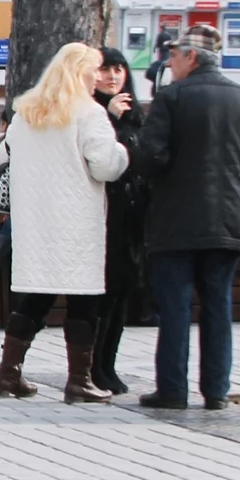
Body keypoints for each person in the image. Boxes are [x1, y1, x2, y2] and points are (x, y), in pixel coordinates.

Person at [134, 24, 240, 409]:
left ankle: (173, 390)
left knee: (176, 307)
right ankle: (217, 391)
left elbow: (151, 157)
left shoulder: (171, 98)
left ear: (191, 58)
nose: (170, 62)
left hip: (175, 220)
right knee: (218, 305)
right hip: (227, 219)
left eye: (174, 55)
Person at [0, 43, 131, 403]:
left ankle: (8, 374)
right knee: (83, 301)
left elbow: (7, 156)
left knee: (34, 298)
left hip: (35, 220)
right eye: (95, 70)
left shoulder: (26, 114)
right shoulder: (89, 114)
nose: (100, 76)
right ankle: (79, 380)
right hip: (76, 218)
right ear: (82, 73)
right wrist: (123, 152)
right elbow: (105, 166)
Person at [88, 47, 148, 396]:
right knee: (102, 296)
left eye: (118, 69)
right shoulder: (91, 113)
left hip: (130, 216)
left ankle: (108, 364)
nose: (112, 76)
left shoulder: (137, 115)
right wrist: (108, 118)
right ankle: (92, 366)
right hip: (101, 216)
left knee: (122, 293)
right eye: (105, 69)